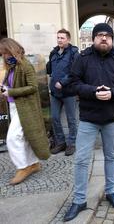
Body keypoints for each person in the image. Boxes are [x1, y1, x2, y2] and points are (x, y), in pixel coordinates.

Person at [63, 23, 114, 222]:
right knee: (81, 159)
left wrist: (113, 93)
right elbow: (73, 83)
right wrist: (94, 92)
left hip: (112, 118)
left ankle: (111, 192)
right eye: (99, 35)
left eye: (107, 35)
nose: (103, 38)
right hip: (88, 118)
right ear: (94, 38)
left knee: (111, 157)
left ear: (112, 39)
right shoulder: (83, 58)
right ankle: (79, 200)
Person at [0, 38, 50, 185]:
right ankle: (33, 163)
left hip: (26, 108)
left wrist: (10, 92)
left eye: (5, 52)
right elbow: (9, 85)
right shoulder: (11, 66)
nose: (3, 56)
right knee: (25, 137)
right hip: (14, 106)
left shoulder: (25, 65)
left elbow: (33, 87)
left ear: (12, 50)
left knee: (12, 138)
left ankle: (23, 167)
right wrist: (3, 89)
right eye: (2, 53)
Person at [46, 29, 79, 156]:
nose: (59, 40)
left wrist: (63, 82)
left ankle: (72, 143)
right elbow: (50, 70)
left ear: (68, 39)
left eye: (62, 38)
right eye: (58, 37)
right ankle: (60, 142)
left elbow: (75, 72)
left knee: (71, 119)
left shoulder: (74, 53)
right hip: (55, 92)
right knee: (54, 117)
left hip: (68, 91)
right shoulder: (53, 53)